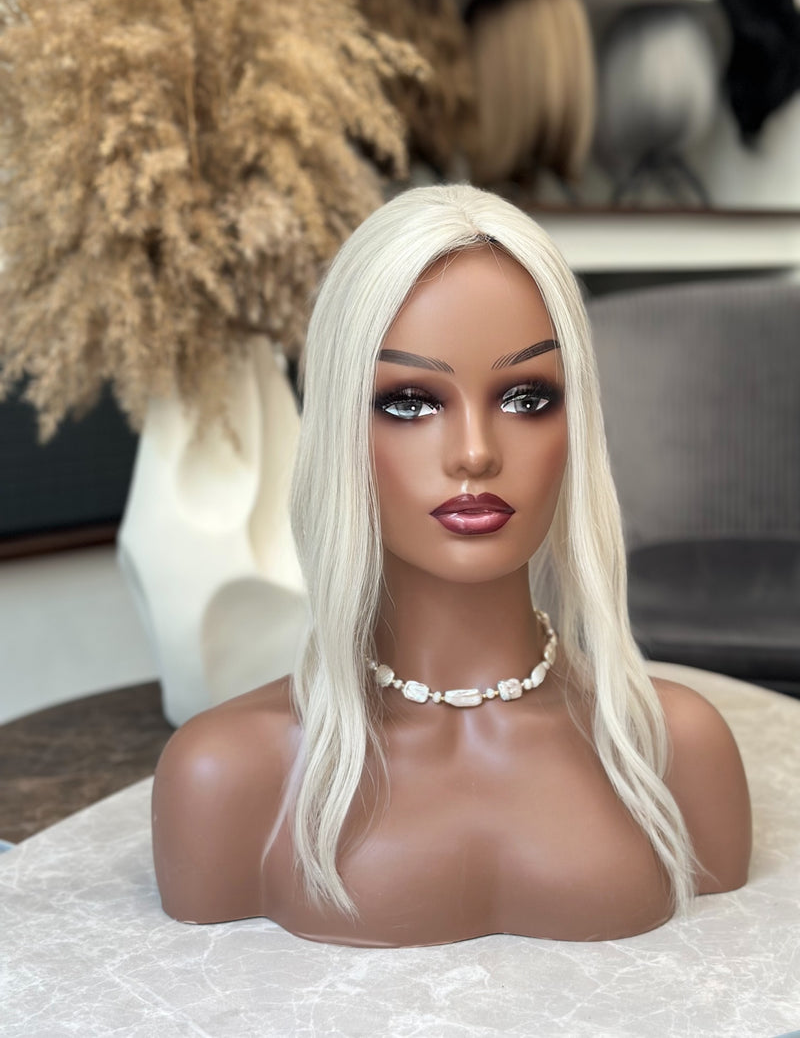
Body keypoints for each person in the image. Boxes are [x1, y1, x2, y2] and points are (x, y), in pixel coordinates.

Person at [152, 184, 751, 946]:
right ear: (339, 427)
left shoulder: (678, 748)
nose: (474, 452)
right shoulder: (225, 774)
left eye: (527, 397)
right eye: (410, 401)